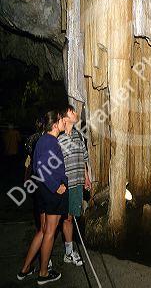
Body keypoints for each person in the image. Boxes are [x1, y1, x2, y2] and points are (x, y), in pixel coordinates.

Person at [17, 110, 68, 285]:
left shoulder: (44, 140)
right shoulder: (49, 141)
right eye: (62, 120)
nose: (64, 122)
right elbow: (39, 168)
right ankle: (43, 273)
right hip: (50, 193)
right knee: (50, 233)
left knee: (43, 231)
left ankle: (25, 269)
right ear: (55, 124)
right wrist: (57, 187)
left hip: (42, 192)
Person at [58, 104, 91, 266]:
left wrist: (86, 178)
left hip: (77, 182)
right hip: (65, 184)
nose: (76, 113)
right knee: (63, 218)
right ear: (65, 118)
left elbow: (84, 157)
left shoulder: (78, 135)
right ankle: (62, 252)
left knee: (71, 217)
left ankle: (69, 251)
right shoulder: (59, 138)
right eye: (72, 112)